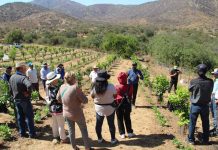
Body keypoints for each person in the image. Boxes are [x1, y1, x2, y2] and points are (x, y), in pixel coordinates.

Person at [57, 72, 93, 150]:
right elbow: (85, 101)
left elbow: (58, 99)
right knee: (83, 130)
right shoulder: (75, 88)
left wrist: (68, 103)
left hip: (66, 113)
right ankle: (87, 147)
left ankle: (74, 147)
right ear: (74, 78)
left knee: (71, 130)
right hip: (77, 114)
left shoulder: (62, 87)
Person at [187, 64, 213, 145]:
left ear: (198, 71)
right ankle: (205, 140)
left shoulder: (193, 81)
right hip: (205, 105)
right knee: (205, 123)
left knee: (192, 123)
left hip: (195, 105)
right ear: (206, 72)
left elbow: (190, 90)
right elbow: (211, 90)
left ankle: (191, 140)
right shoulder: (210, 81)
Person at [9, 62, 36, 138]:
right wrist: (28, 93)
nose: (25, 69)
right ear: (20, 68)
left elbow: (10, 90)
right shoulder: (23, 77)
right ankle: (32, 134)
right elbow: (29, 85)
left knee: (20, 117)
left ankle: (22, 133)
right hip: (24, 100)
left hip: (16, 100)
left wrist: (14, 95)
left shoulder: (12, 77)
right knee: (29, 116)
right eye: (24, 68)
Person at [91, 70, 118, 144]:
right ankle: (113, 139)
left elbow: (92, 96)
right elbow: (115, 96)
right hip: (110, 108)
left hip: (99, 108)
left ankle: (99, 139)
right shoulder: (111, 86)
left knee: (98, 124)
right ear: (106, 79)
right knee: (111, 124)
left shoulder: (94, 87)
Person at [45, 72, 68, 143]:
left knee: (54, 123)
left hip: (52, 108)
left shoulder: (48, 87)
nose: (58, 80)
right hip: (58, 108)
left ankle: (55, 137)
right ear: (54, 80)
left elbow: (48, 97)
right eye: (56, 79)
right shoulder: (57, 88)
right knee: (61, 124)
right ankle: (63, 138)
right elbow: (59, 99)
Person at [115, 72, 135, 139]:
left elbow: (114, 96)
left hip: (118, 105)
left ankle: (122, 133)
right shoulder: (130, 86)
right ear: (126, 78)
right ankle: (129, 132)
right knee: (127, 118)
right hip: (127, 104)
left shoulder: (116, 87)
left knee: (119, 119)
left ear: (119, 79)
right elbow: (130, 95)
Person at [210, 68, 218, 136]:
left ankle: (216, 130)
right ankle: (215, 128)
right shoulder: (215, 80)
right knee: (213, 112)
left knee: (216, 114)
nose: (214, 75)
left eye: (215, 74)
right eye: (214, 74)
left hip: (216, 99)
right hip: (213, 97)